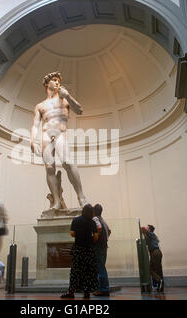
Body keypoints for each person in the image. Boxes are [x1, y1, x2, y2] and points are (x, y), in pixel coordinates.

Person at [30, 71, 87, 209]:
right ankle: (56, 201)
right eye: (54, 80)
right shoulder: (40, 106)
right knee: (49, 168)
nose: (57, 83)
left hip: (60, 133)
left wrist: (67, 95)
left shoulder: (65, 99)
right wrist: (33, 140)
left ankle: (81, 197)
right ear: (47, 83)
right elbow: (35, 125)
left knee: (67, 162)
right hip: (46, 135)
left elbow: (79, 110)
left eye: (58, 81)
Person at [61, 204, 99, 299]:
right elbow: (96, 236)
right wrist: (90, 240)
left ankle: (71, 292)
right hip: (89, 250)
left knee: (75, 271)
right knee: (88, 272)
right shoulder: (92, 222)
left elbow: (72, 233)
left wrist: (79, 235)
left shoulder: (76, 220)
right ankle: (86, 292)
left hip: (78, 249)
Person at [92, 204, 111, 296]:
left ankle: (103, 289)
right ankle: (103, 288)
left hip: (98, 247)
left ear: (94, 211)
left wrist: (95, 238)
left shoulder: (95, 219)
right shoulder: (103, 220)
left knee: (100, 268)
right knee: (102, 267)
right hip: (104, 246)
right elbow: (109, 230)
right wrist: (105, 239)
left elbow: (99, 228)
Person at [141, 225, 164, 292]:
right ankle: (160, 284)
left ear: (149, 229)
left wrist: (141, 227)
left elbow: (142, 228)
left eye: (147, 227)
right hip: (154, 253)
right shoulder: (149, 236)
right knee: (154, 270)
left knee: (154, 270)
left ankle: (160, 281)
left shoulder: (151, 233)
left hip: (155, 252)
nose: (146, 227)